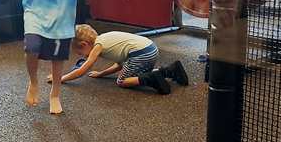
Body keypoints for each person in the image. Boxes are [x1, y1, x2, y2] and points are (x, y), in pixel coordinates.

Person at [56, 24, 189, 94]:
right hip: (150, 49)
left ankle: (151, 78)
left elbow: (83, 69)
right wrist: (101, 74)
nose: (82, 56)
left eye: (80, 53)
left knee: (122, 81)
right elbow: (120, 65)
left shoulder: (98, 46)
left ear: (84, 44)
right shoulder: (106, 38)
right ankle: (169, 70)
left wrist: (61, 79)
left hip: (140, 54)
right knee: (135, 72)